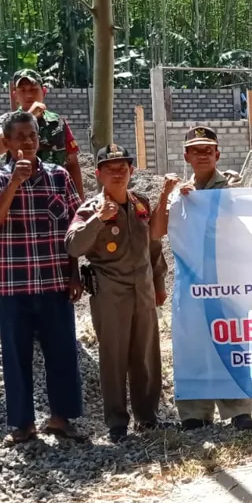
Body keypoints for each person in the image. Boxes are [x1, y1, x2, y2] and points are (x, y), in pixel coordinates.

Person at [0, 111, 86, 445]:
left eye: (32, 136)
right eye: (20, 137)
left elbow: (74, 228)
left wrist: (75, 272)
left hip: (55, 280)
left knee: (63, 352)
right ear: (6, 143)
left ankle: (61, 419)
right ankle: (22, 425)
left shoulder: (59, 176)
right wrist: (14, 184)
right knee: (15, 354)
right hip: (14, 283)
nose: (27, 142)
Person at [67, 146, 176, 442]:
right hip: (110, 292)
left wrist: (159, 282)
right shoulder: (90, 209)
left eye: (123, 167)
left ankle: (148, 416)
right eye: (110, 168)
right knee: (114, 357)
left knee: (146, 355)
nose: (118, 172)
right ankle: (116, 423)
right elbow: (73, 246)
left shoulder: (140, 203)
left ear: (131, 171)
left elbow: (153, 243)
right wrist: (99, 219)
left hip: (142, 289)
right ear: (98, 174)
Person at [175, 125, 252, 431]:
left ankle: (239, 410)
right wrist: (180, 198)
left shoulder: (234, 185)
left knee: (232, 342)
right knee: (194, 344)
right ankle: (195, 411)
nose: (201, 155)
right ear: (186, 155)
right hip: (194, 283)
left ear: (217, 154)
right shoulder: (179, 194)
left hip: (229, 279)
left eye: (207, 150)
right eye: (195, 150)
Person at [0, 69, 85, 198]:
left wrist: (80, 202)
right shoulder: (6, 121)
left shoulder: (58, 123)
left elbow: (72, 163)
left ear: (44, 92)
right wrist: (29, 116)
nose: (28, 95)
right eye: (22, 90)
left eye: (33, 89)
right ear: (15, 95)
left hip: (55, 194)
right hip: (20, 196)